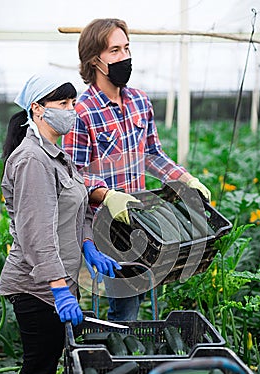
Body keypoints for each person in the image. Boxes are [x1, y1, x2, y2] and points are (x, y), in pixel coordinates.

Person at [63, 18, 211, 321]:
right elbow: (72, 174)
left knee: (144, 289)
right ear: (95, 60)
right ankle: (117, 356)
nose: (125, 57)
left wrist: (184, 178)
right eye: (115, 50)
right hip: (106, 223)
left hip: (141, 217)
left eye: (127, 48)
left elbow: (152, 155)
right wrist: (106, 195)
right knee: (126, 302)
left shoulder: (140, 101)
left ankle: (127, 349)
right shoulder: (81, 111)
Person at [0, 72, 121, 374]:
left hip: (59, 282)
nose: (72, 109)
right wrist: (58, 291)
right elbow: (37, 234)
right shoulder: (31, 160)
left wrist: (88, 245)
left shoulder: (56, 154)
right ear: (38, 109)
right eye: (63, 103)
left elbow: (72, 209)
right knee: (38, 370)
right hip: (37, 287)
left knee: (49, 362)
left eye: (73, 102)